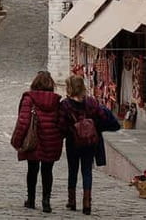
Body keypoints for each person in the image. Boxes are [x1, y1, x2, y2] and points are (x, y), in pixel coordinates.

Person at [10, 71, 63, 213]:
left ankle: (31, 199)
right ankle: (46, 201)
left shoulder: (29, 99)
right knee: (48, 171)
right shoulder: (56, 101)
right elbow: (61, 122)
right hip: (51, 139)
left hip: (34, 139)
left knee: (32, 169)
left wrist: (17, 140)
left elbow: (23, 121)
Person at [58, 75, 111, 215]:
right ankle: (87, 202)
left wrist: (69, 131)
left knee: (73, 170)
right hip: (90, 142)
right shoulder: (91, 102)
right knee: (87, 171)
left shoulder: (65, 104)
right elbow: (102, 117)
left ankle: (72, 200)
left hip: (73, 141)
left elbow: (61, 125)